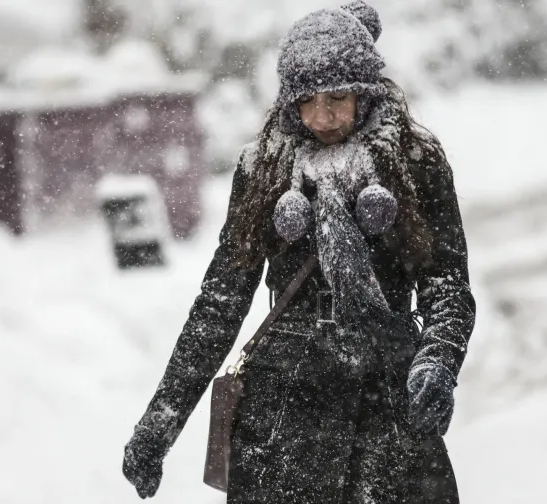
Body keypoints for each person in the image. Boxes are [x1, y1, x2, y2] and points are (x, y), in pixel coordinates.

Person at [122, 2, 476, 502]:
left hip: (387, 411)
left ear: (367, 93)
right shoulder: (264, 166)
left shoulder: (414, 160)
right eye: (307, 101)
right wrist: (162, 421)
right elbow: (220, 304)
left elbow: (448, 288)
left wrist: (437, 361)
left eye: (338, 97)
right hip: (284, 421)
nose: (323, 116)